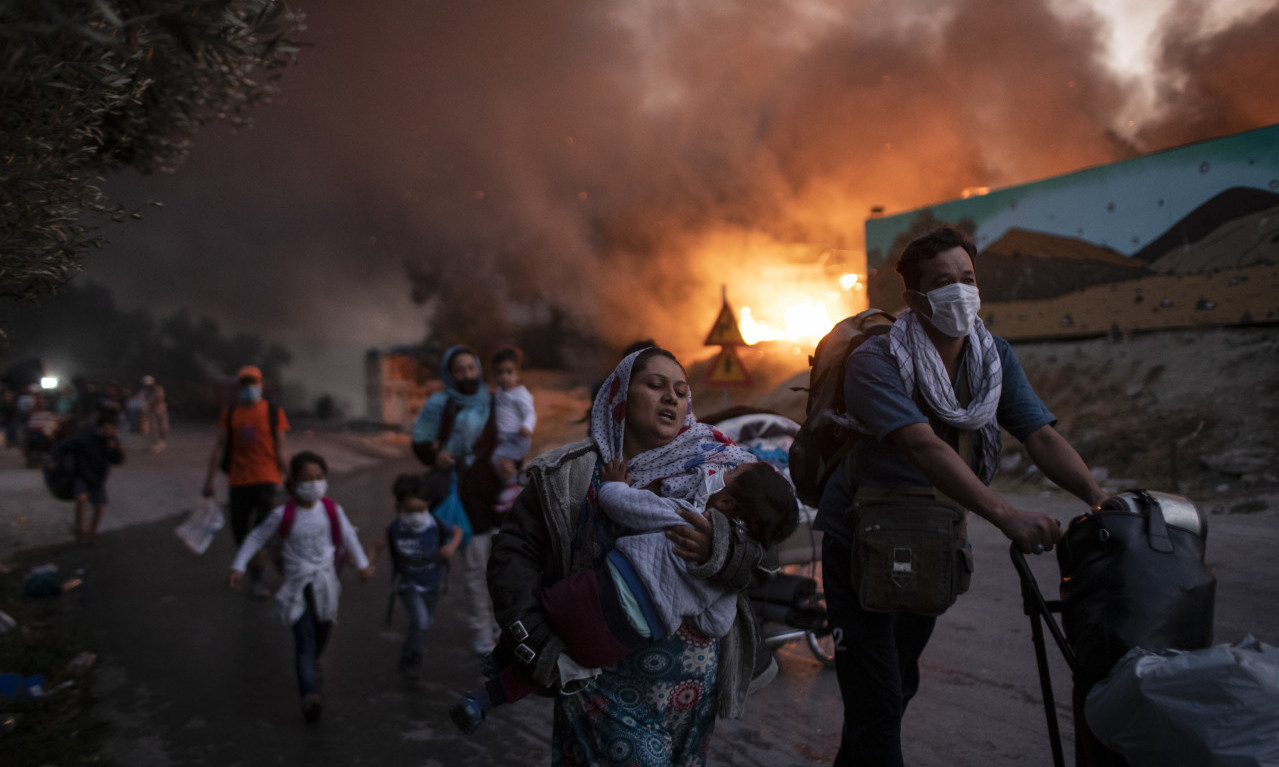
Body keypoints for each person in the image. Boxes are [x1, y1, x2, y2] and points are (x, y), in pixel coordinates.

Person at [815, 226, 1109, 766]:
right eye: (942, 282)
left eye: (967, 278)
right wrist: (1007, 515)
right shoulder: (876, 359)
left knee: (894, 688)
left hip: (931, 541)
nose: (960, 291)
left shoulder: (992, 357)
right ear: (914, 298)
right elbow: (922, 446)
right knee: (877, 700)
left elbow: (1039, 434)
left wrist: (1097, 497)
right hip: (860, 542)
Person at [488, 347, 775, 765]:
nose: (671, 397)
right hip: (598, 686)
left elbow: (768, 556)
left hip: (691, 699)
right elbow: (513, 557)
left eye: (681, 391)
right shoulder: (569, 475)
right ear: (620, 394)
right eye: (655, 385)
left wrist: (726, 552)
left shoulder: (724, 467)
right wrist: (542, 646)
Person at [452, 456, 798, 733]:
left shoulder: (684, 516)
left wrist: (616, 482)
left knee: (544, 615)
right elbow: (716, 625)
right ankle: (482, 702)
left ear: (724, 500)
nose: (722, 471)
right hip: (621, 640)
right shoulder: (728, 580)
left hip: (590, 594)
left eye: (729, 473)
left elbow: (619, 503)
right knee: (557, 666)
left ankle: (498, 660)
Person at [227, 450, 374, 723]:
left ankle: (314, 662)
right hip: (297, 587)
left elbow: (349, 537)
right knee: (304, 640)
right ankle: (309, 696)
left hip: (326, 585)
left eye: (319, 477)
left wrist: (363, 564)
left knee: (324, 629)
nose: (314, 483)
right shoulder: (282, 515)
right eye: (307, 478)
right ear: (293, 483)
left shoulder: (332, 510)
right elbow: (256, 537)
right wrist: (238, 566)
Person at [410, 345, 501, 656]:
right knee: (476, 571)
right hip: (465, 497)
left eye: (471, 368)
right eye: (459, 370)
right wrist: (436, 454)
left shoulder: (494, 401)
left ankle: (504, 629)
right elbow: (420, 441)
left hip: (498, 499)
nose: (467, 375)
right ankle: (483, 637)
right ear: (450, 374)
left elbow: (511, 442)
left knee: (502, 570)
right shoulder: (441, 404)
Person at [203, 365, 290, 600]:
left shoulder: (273, 412)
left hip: (266, 478)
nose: (249, 387)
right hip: (239, 480)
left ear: (261, 385)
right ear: (239, 387)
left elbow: (281, 448)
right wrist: (209, 480)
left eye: (253, 382)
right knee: (240, 531)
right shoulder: (231, 413)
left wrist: (291, 478)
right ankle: (253, 566)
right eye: (245, 383)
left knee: (261, 532)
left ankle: (257, 580)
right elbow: (220, 447)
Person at [365, 471, 463, 679]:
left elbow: (457, 532)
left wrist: (451, 548)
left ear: (428, 505)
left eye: (421, 510)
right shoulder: (395, 529)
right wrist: (367, 566)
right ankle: (414, 657)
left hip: (433, 584)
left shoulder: (434, 524)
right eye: (410, 510)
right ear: (399, 507)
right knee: (421, 620)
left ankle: (408, 652)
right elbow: (376, 547)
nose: (416, 515)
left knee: (425, 622)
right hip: (408, 584)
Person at [50, 408, 125, 544]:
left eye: (111, 429)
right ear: (100, 427)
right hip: (82, 474)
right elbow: (64, 445)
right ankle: (80, 530)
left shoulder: (112, 440)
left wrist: (114, 448)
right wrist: (54, 459)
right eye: (106, 428)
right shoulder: (85, 436)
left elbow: (118, 460)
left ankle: (92, 533)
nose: (108, 431)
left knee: (100, 506)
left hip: (98, 478)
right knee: (81, 498)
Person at [489, 346, 536, 512]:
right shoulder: (500, 392)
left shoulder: (520, 393)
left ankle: (514, 491)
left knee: (499, 460)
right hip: (506, 438)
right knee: (503, 464)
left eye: (509, 372)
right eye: (499, 372)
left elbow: (530, 412)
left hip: (517, 437)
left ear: (518, 374)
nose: (504, 377)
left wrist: (527, 426)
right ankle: (513, 491)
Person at [140, 375, 169, 453]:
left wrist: (149, 405)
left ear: (153, 383)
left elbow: (160, 399)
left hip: (161, 410)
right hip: (151, 412)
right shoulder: (143, 391)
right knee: (153, 428)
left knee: (164, 427)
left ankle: (162, 441)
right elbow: (142, 401)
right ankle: (155, 444)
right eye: (147, 385)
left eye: (150, 385)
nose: (149, 386)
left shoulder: (159, 389)